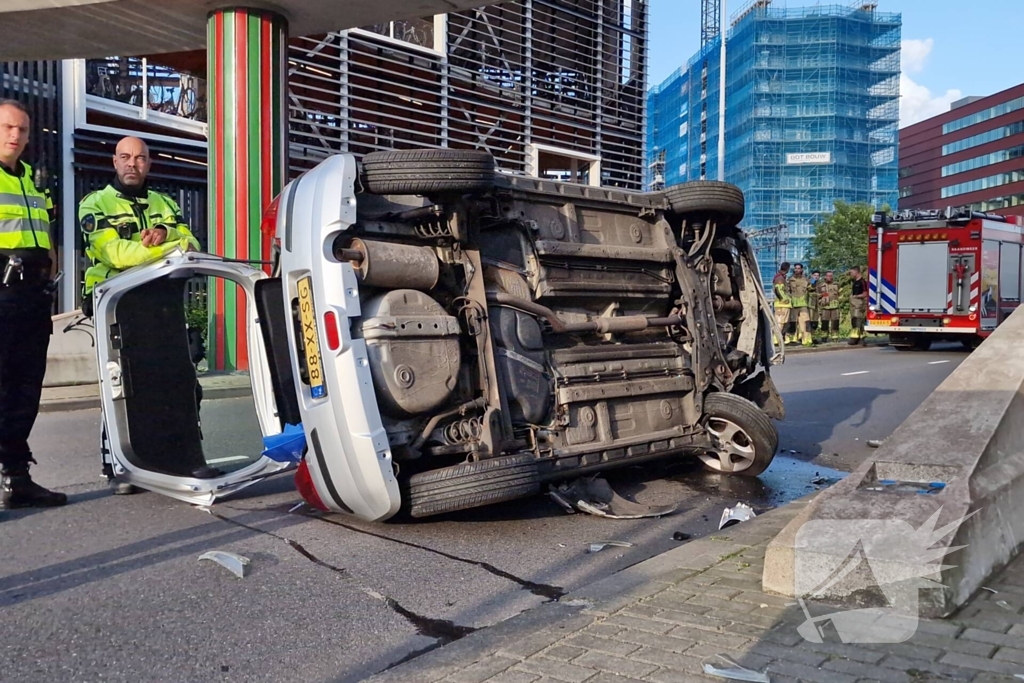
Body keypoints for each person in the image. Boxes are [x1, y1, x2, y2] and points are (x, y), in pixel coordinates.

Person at [78, 136, 200, 494]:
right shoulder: (94, 203)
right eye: (126, 157)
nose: (133, 164)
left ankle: (172, 459)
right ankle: (120, 464)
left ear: (149, 163)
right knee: (122, 383)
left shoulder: (163, 202)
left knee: (173, 379)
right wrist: (171, 246)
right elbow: (116, 254)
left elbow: (192, 243)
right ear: (114, 161)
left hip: (161, 301)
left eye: (140, 158)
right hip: (119, 302)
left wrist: (166, 233)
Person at [0, 100, 67, 509]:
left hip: (31, 299)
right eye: (8, 127)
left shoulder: (31, 180)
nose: (16, 136)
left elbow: (45, 239)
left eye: (22, 130)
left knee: (25, 391)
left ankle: (16, 478)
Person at [787, 263, 813, 347]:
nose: (797, 270)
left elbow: (811, 289)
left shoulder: (806, 279)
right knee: (792, 322)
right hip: (793, 304)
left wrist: (814, 283)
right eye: (795, 268)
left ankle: (806, 339)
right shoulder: (790, 279)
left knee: (806, 322)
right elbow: (787, 291)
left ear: (802, 269)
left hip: (803, 304)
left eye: (798, 268)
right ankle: (792, 339)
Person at [771, 262, 792, 346]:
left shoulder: (780, 277)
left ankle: (779, 338)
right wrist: (784, 299)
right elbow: (778, 290)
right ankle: (776, 339)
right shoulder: (780, 278)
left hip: (782, 304)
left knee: (783, 322)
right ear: (787, 269)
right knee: (780, 322)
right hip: (782, 305)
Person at [818, 270, 841, 343]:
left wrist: (839, 300)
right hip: (825, 307)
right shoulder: (821, 285)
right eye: (828, 276)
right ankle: (824, 337)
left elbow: (841, 294)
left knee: (835, 322)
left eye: (831, 276)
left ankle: (835, 337)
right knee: (824, 322)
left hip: (835, 307)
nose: (830, 277)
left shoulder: (837, 284)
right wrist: (821, 299)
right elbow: (817, 295)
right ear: (825, 276)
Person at [849, 265, 868, 345]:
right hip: (853, 305)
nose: (851, 274)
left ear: (856, 272)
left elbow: (865, 293)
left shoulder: (862, 282)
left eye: (851, 272)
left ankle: (857, 338)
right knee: (854, 320)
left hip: (859, 304)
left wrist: (856, 296)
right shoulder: (855, 282)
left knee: (858, 320)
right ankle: (859, 337)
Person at [808, 270, 820, 335]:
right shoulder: (810, 282)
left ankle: (813, 335)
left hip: (817, 305)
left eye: (818, 275)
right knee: (810, 321)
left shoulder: (819, 283)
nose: (816, 277)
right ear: (812, 275)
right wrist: (813, 282)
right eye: (815, 275)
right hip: (810, 304)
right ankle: (809, 336)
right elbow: (809, 289)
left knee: (815, 321)